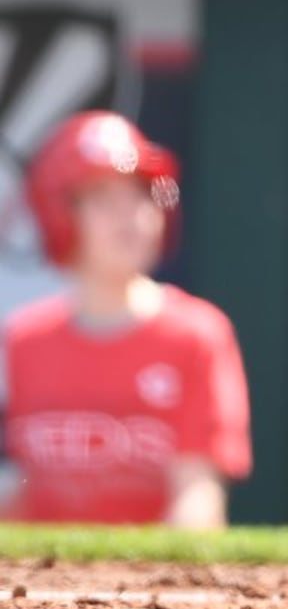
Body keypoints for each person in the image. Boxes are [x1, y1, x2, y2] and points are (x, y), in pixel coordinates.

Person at [3, 113, 253, 523]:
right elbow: (23, 488)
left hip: (151, 583)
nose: (130, 215)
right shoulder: (24, 340)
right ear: (60, 213)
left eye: (141, 195)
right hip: (42, 584)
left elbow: (197, 496)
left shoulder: (196, 333)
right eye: (103, 197)